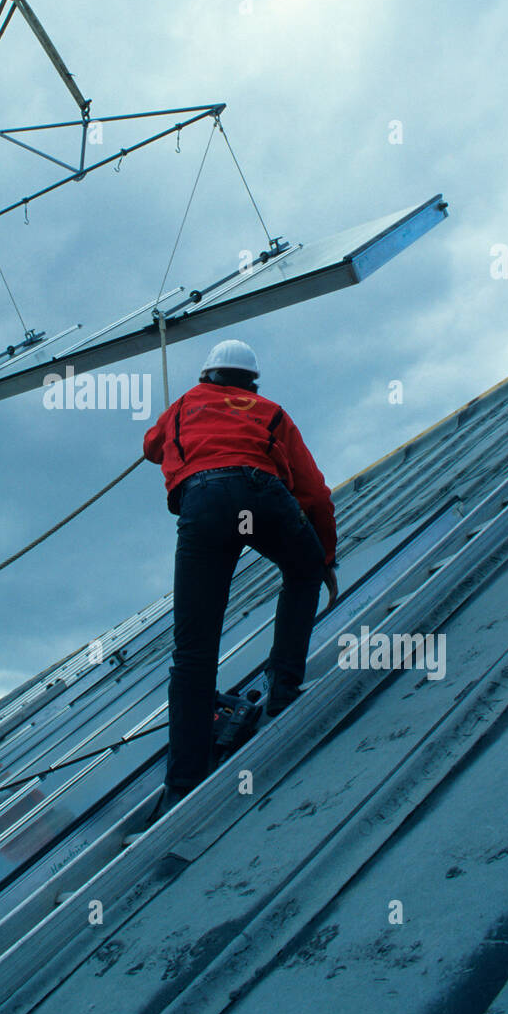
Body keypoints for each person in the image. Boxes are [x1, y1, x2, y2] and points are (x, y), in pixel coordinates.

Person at [143, 340, 338, 816]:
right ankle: (284, 683)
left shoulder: (185, 404)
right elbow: (314, 491)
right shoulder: (271, 411)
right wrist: (324, 559)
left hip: (203, 503)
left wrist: (184, 425)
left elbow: (150, 446)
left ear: (207, 374)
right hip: (260, 493)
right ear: (251, 381)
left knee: (193, 649)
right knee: (302, 570)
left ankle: (182, 782)